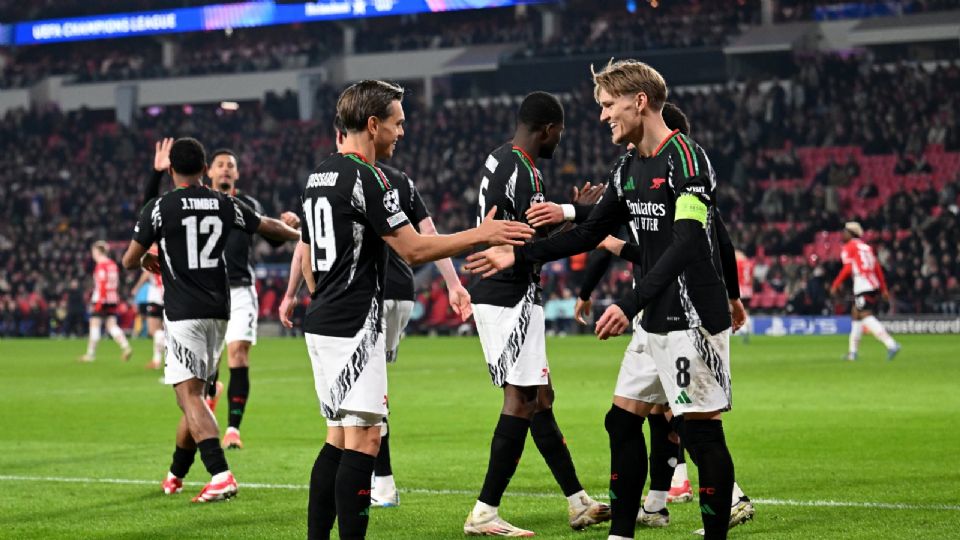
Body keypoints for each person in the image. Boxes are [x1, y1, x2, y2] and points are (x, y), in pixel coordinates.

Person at [467, 59, 740, 540]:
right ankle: (621, 534)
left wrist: (629, 302)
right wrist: (520, 254)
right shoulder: (628, 165)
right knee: (621, 420)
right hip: (655, 316)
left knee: (699, 431)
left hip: (691, 318)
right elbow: (590, 231)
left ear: (639, 102)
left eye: (609, 105)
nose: (602, 116)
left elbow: (688, 242)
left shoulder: (688, 161)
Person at [288, 80, 533, 540]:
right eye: (398, 123)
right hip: (353, 323)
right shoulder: (370, 178)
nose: (403, 131)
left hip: (321, 319)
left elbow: (309, 260)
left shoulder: (318, 174)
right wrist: (483, 234)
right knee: (365, 439)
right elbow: (415, 250)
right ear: (374, 124)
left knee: (338, 437)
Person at [573, 101, 753, 531]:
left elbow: (707, 244)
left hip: (681, 313)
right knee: (643, 418)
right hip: (650, 312)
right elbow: (607, 236)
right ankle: (654, 504)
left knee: (686, 422)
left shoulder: (682, 175)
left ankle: (723, 497)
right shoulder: (635, 178)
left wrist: (731, 297)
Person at [464, 91, 610, 537]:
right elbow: (530, 249)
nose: (559, 141)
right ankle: (484, 512)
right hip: (509, 295)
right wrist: (581, 221)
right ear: (547, 128)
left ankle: (577, 501)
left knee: (541, 398)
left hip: (506, 292)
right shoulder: (524, 172)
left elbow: (529, 238)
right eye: (559, 133)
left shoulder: (500, 159)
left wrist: (568, 216)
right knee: (522, 400)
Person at [121, 137, 299, 503]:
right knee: (195, 396)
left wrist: (143, 260)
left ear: (171, 170)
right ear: (205, 170)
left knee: (189, 397)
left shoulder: (160, 207)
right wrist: (305, 236)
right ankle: (176, 473)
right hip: (220, 311)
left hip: (184, 312)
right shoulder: (224, 203)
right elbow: (269, 226)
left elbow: (129, 259)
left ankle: (220, 474)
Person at [209, 148, 302, 450]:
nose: (225, 169)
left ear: (236, 174)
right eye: (220, 165)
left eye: (230, 166)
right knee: (209, 362)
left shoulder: (246, 204)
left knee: (238, 353)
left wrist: (289, 224)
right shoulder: (198, 203)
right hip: (205, 291)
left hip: (239, 289)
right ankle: (211, 392)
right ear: (210, 172)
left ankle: (233, 428)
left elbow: (272, 237)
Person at [830, 222, 901, 361]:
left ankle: (891, 344)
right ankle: (852, 353)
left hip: (863, 284)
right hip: (871, 283)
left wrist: (836, 284)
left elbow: (848, 268)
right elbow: (877, 268)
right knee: (856, 315)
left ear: (851, 233)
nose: (842, 234)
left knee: (864, 315)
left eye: (845, 231)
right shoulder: (867, 247)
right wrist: (883, 288)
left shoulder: (849, 247)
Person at [79, 241, 133, 363]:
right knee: (111, 325)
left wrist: (100, 301)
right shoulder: (113, 265)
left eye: (93, 251)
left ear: (98, 252)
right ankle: (125, 346)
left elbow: (102, 283)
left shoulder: (101, 265)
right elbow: (117, 283)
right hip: (113, 298)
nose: (92, 254)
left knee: (94, 324)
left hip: (101, 298)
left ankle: (90, 354)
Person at [131, 263, 165, 369]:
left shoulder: (152, 252)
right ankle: (157, 360)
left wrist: (137, 287)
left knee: (153, 330)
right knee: (161, 330)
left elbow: (146, 273)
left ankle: (174, 352)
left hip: (157, 297)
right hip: (168, 295)